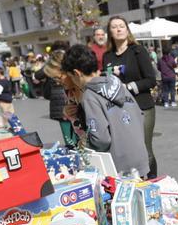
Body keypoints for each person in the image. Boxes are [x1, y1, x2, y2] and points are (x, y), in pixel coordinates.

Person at [61, 44, 149, 177]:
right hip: (140, 158)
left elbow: (101, 140)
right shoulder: (117, 84)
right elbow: (140, 116)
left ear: (77, 73)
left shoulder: (90, 96)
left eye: (71, 77)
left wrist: (85, 143)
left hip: (118, 165)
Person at [102, 16, 158, 178]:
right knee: (126, 147)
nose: (119, 29)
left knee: (144, 147)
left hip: (142, 106)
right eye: (114, 27)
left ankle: (152, 182)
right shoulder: (108, 56)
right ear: (110, 32)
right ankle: (133, 181)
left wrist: (127, 88)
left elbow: (151, 80)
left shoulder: (138, 51)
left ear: (127, 30)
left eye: (122, 26)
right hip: (118, 109)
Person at [36, 50, 77, 148]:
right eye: (54, 78)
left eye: (58, 77)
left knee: (70, 136)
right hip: (61, 105)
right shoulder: (69, 88)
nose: (58, 81)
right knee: (69, 137)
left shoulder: (81, 87)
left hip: (61, 103)